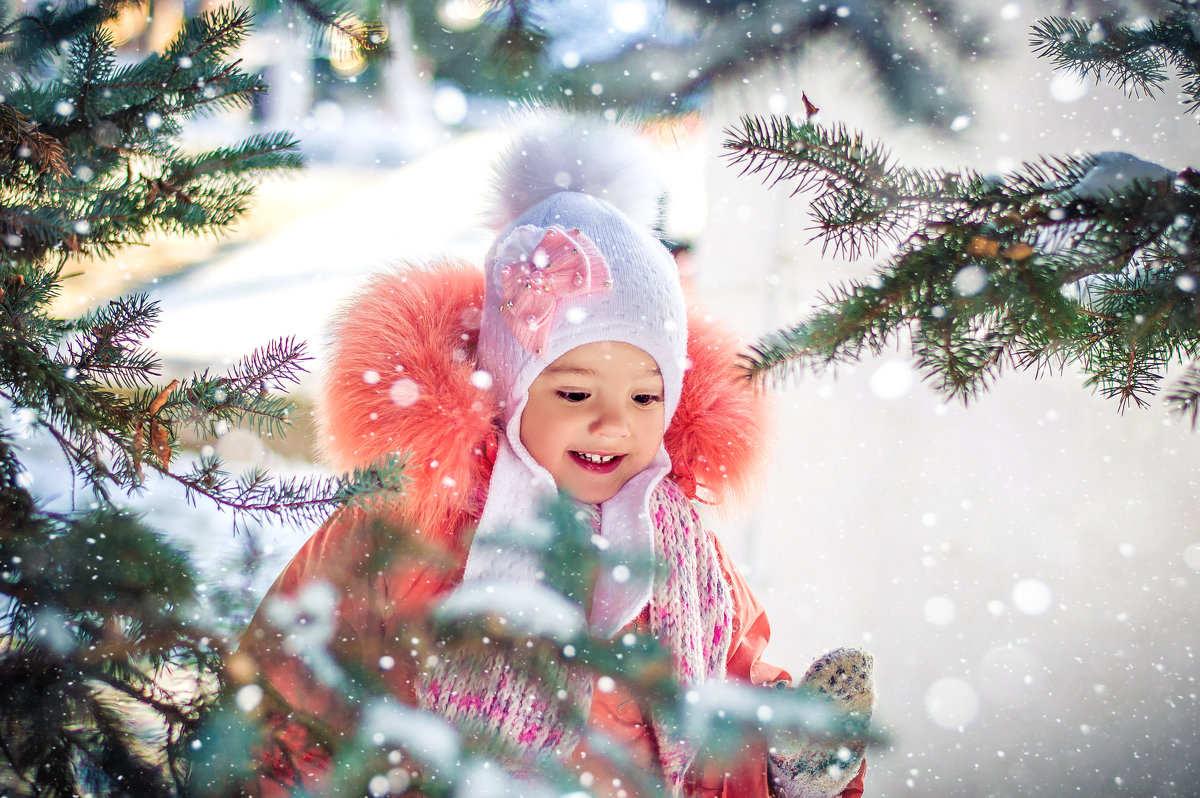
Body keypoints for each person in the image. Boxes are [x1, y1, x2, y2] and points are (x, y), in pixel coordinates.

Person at [236, 115, 872, 797]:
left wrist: (781, 748)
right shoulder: (410, 528)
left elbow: (728, 673)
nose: (612, 423)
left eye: (645, 399)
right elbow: (290, 694)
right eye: (573, 391)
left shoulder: (680, 547)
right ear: (509, 389)